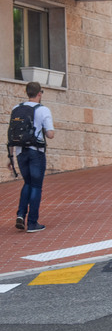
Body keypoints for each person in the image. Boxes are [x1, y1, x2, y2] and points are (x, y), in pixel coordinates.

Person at [8, 82, 55, 232]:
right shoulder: (43, 110)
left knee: (27, 182)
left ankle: (21, 214)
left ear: (26, 92)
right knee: (36, 185)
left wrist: (10, 157)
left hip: (20, 152)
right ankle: (33, 223)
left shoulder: (16, 108)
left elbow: (11, 134)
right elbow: (50, 134)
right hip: (36, 152)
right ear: (39, 93)